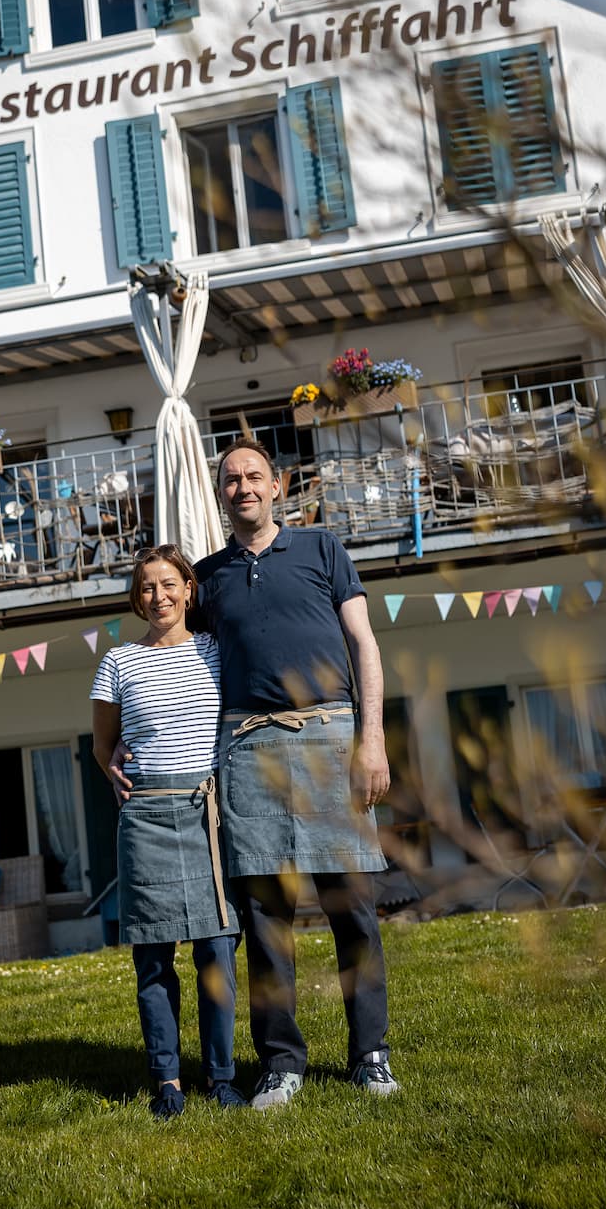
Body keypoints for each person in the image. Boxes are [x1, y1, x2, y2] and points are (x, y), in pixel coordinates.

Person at [115, 441, 400, 1110]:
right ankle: (281, 1063)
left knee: (352, 910)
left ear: (278, 485)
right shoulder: (206, 579)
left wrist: (373, 740)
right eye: (230, 480)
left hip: (332, 738)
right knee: (265, 916)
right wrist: (131, 736)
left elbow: (364, 644)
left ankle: (371, 1055)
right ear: (222, 495)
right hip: (245, 752)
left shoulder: (323, 550)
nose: (242, 487)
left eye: (253, 476)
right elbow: (176, 655)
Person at [91, 543, 245, 1119]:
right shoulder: (118, 662)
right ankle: (168, 1083)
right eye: (148, 588)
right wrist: (111, 767)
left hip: (208, 816)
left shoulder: (215, 651)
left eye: (169, 584)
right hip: (147, 818)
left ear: (189, 589)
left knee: (216, 951)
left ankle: (223, 1077)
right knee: (153, 958)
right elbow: (102, 742)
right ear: (138, 598)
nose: (160, 596)